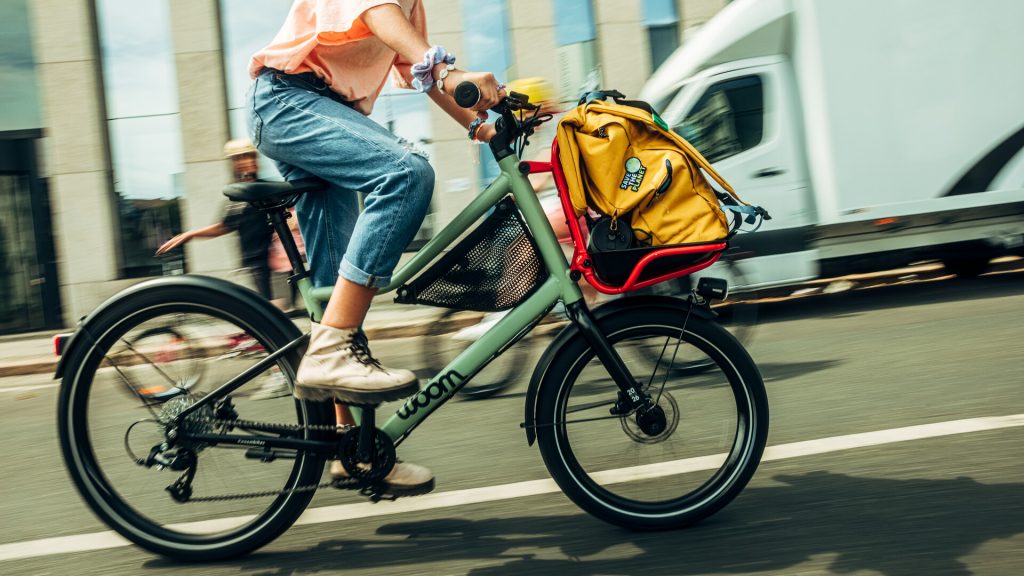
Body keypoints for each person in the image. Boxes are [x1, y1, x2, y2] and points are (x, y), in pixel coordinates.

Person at [246, 0, 504, 495]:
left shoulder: (410, 6)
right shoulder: (390, 7)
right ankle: (329, 352)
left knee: (338, 292)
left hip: (322, 111)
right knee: (407, 172)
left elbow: (423, 70)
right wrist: (448, 70)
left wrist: (483, 123)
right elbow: (384, 21)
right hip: (288, 100)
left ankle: (352, 451)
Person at [156, 139, 275, 302]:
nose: (243, 162)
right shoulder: (237, 196)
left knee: (270, 312)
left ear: (256, 159)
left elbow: (290, 213)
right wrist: (188, 235)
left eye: (247, 156)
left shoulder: (267, 189)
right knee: (263, 310)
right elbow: (224, 226)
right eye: (237, 159)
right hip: (252, 262)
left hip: (273, 262)